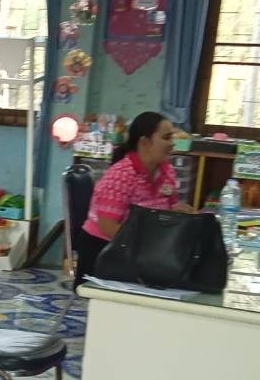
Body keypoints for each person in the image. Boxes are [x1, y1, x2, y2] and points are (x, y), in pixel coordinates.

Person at [76, 112, 194, 283]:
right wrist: (149, 240)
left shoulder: (166, 171)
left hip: (140, 249)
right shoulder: (121, 175)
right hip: (104, 249)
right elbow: (108, 226)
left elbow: (165, 211)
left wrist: (179, 215)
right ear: (145, 142)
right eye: (166, 138)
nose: (172, 143)